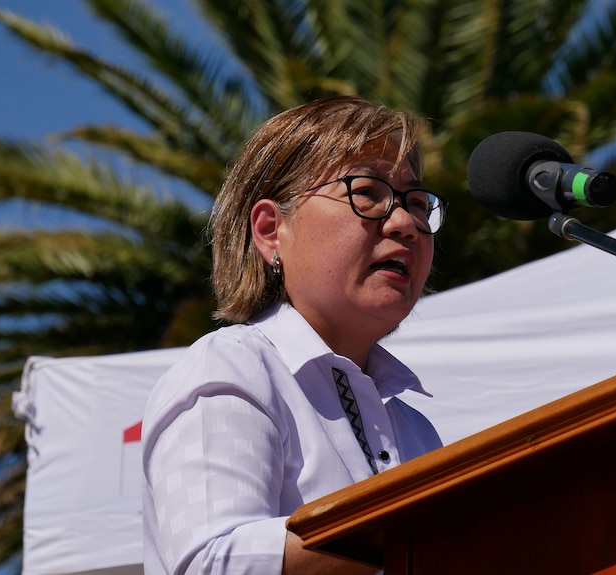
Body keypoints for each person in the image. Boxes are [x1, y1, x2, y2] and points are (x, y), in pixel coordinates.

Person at [141, 96, 448, 575]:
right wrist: (413, 541)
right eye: (366, 192)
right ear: (271, 230)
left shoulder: (416, 429)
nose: (406, 222)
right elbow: (213, 560)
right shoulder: (234, 367)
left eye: (416, 202)